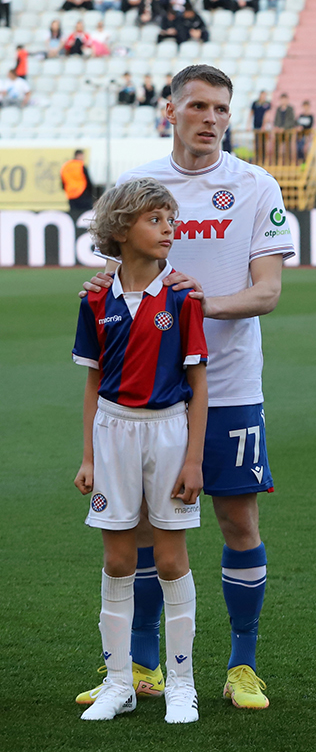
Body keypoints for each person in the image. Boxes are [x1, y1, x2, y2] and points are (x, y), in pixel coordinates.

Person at [76, 64, 293, 713]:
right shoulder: (141, 183)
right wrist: (99, 285)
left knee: (236, 518)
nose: (210, 117)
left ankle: (242, 664)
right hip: (148, 395)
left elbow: (269, 290)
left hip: (227, 382)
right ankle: (141, 666)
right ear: (172, 110)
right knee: (142, 529)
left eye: (221, 108)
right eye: (197, 105)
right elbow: (115, 275)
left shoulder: (254, 185)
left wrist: (202, 304)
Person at [73, 178, 209, 724]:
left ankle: (181, 682)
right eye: (156, 220)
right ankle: (117, 682)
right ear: (122, 227)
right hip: (114, 431)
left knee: (172, 558)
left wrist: (195, 458)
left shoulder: (182, 297)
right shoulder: (95, 297)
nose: (168, 229)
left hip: (169, 432)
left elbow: (199, 385)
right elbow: (93, 382)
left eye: (171, 220)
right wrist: (88, 456)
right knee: (117, 557)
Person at [62, 148, 93, 217]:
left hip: (71, 195)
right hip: (83, 194)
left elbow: (62, 182)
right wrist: (91, 193)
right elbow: (88, 181)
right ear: (79, 155)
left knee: (74, 215)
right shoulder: (80, 166)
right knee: (86, 215)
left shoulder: (66, 166)